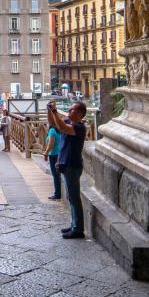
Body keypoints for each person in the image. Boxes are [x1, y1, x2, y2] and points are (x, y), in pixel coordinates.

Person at [49, 101, 87, 239]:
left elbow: (61, 126)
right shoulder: (70, 123)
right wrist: (50, 111)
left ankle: (78, 229)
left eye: (72, 109)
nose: (69, 111)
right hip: (67, 165)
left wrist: (54, 111)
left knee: (74, 198)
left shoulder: (78, 127)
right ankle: (74, 225)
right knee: (71, 197)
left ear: (79, 114)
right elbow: (54, 124)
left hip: (72, 166)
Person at [44, 113, 63, 200]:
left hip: (53, 154)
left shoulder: (52, 130)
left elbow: (51, 143)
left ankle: (57, 194)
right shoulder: (59, 129)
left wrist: (46, 153)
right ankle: (59, 192)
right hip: (59, 153)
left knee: (55, 175)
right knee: (58, 174)